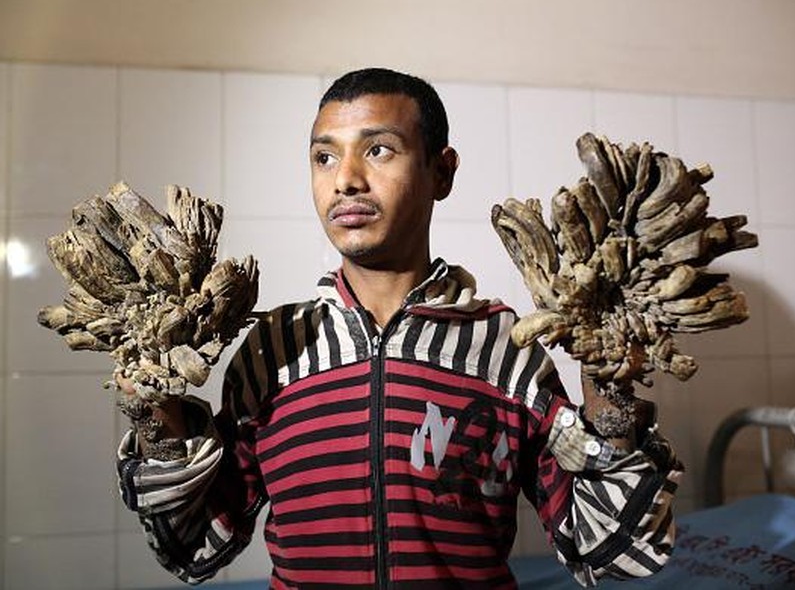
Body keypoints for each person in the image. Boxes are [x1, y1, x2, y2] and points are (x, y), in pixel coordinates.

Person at [117, 67, 683, 589]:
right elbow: (194, 547)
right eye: (324, 157)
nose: (346, 180)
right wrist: (157, 418)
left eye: (378, 150)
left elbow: (614, 551)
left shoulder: (504, 349)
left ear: (442, 171)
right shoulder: (274, 350)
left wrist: (608, 388)